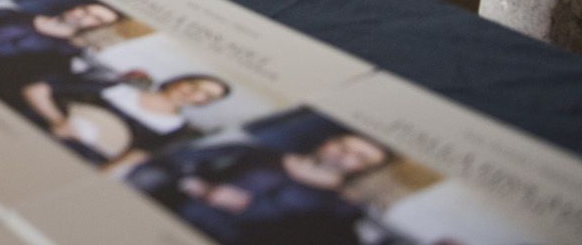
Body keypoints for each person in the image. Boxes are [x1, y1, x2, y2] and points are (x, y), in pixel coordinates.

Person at [127, 130, 390, 244]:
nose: (344, 156)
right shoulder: (254, 152)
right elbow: (181, 159)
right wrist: (191, 181)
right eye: (343, 146)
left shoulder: (340, 208)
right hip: (163, 212)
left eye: (360, 157)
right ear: (328, 142)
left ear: (364, 169)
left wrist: (249, 207)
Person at [20, 71, 231, 170]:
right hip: (33, 135)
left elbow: (130, 159)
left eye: (206, 95)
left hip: (73, 165)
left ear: (204, 103)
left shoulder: (177, 129)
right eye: (193, 85)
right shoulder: (117, 89)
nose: (193, 93)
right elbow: (36, 89)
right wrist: (56, 120)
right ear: (179, 80)